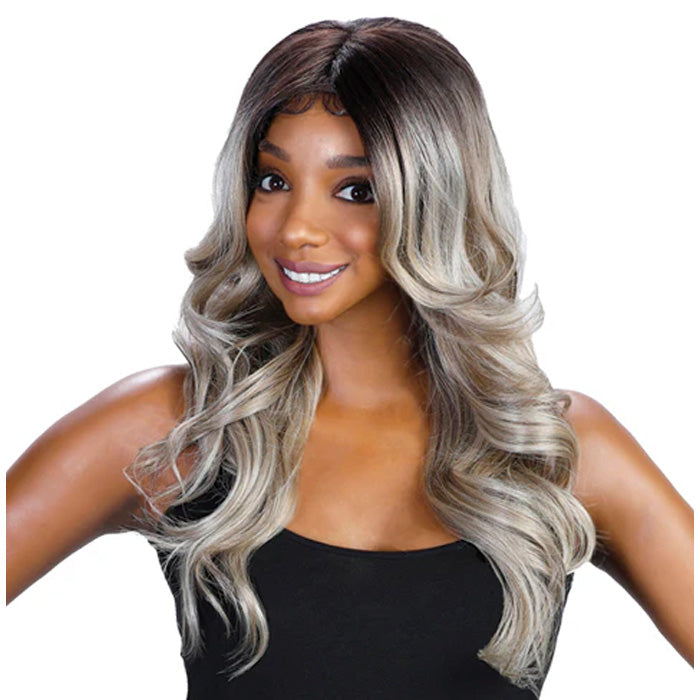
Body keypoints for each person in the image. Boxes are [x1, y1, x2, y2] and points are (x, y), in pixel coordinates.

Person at [6, 16, 693, 699]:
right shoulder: (174, 428)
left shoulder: (557, 450)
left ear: (435, 197)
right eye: (272, 180)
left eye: (355, 190)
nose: (297, 229)